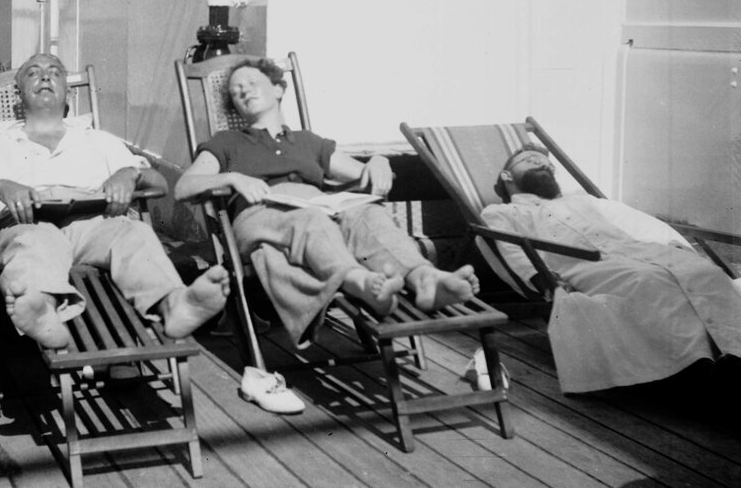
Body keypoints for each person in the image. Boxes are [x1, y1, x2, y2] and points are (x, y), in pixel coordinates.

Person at [175, 57, 479, 412]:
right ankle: (360, 283)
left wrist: (379, 161)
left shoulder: (310, 142)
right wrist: (232, 177)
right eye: (235, 90)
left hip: (316, 208)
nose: (242, 91)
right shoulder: (227, 142)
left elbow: (362, 175)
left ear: (278, 89)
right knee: (312, 219)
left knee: (367, 212)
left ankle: (425, 278)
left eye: (251, 83)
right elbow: (184, 187)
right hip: (260, 215)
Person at [0, 53, 230, 351]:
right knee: (33, 245)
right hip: (26, 224)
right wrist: (0, 186)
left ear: (68, 92)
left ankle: (174, 306)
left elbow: (158, 184)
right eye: (33, 72)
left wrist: (129, 173)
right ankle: (43, 313)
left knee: (133, 233)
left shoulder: (96, 138)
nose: (45, 76)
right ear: (18, 94)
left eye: (55, 72)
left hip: (94, 222)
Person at [482, 142, 741, 396]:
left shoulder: (583, 201)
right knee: (649, 280)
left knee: (704, 272)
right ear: (507, 175)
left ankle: (734, 353)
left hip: (632, 251)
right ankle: (697, 368)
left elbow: (631, 225)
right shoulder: (502, 212)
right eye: (531, 160)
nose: (543, 165)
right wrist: (544, 282)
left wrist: (670, 245)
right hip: (583, 264)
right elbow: (512, 249)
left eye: (547, 164)